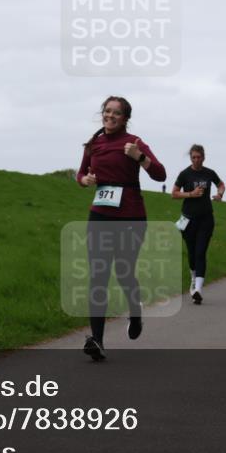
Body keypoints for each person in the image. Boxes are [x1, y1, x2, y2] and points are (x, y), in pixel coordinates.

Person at [76, 96, 166, 361]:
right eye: (107, 111)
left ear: (125, 118)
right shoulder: (94, 144)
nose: (110, 116)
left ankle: (135, 311)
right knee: (98, 277)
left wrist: (140, 158)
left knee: (124, 272)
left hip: (130, 217)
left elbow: (160, 174)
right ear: (102, 114)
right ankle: (98, 340)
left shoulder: (135, 143)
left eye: (116, 113)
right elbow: (80, 175)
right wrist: (86, 179)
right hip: (99, 216)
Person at [171, 144, 225, 304]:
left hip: (206, 219)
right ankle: (193, 279)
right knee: (192, 252)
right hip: (188, 219)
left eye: (199, 157)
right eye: (193, 157)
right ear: (190, 158)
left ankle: (198, 289)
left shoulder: (209, 173)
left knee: (201, 252)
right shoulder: (185, 174)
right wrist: (190, 194)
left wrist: (220, 194)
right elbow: (174, 193)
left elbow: (221, 184)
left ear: (203, 157)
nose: (196, 160)